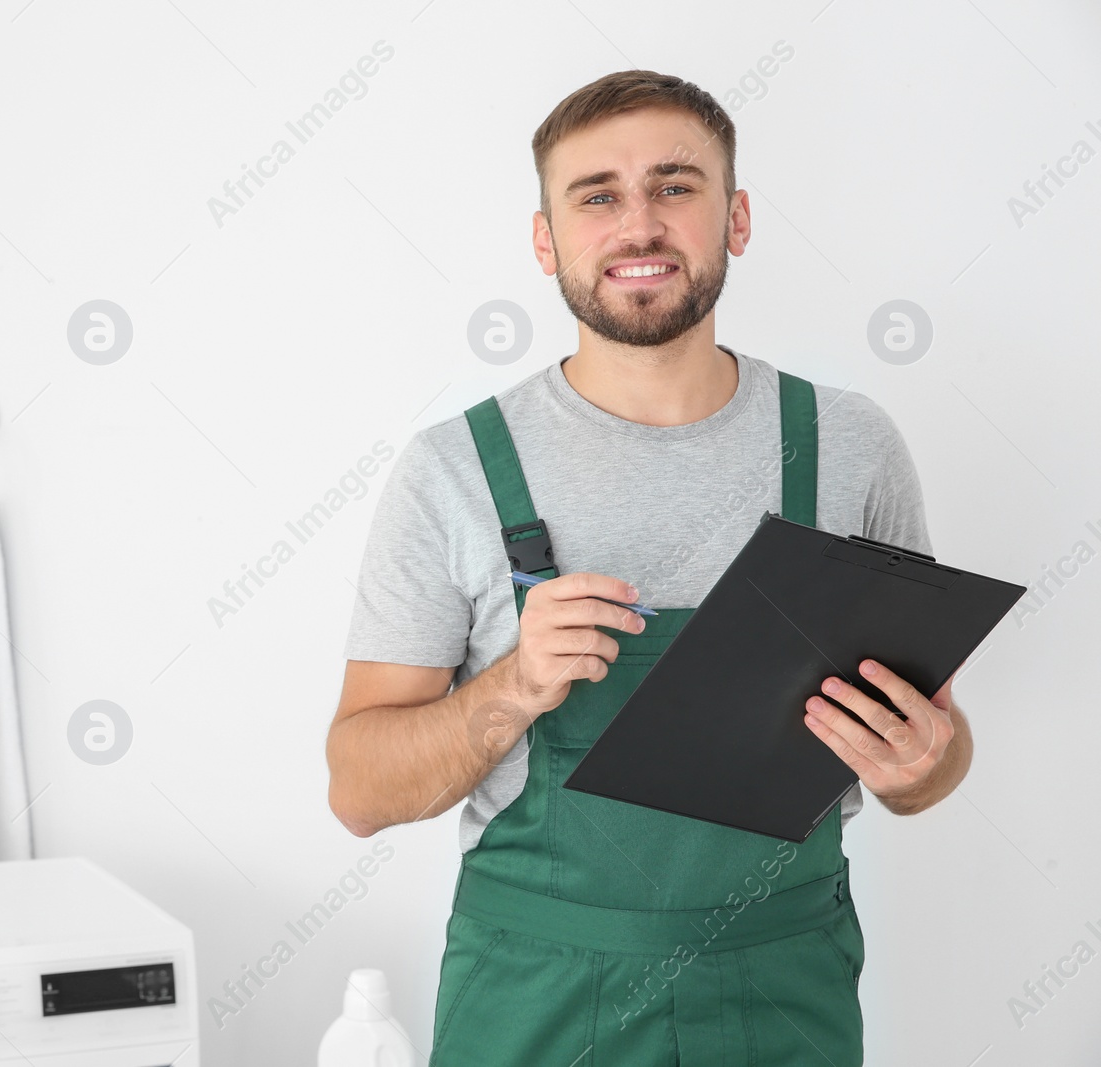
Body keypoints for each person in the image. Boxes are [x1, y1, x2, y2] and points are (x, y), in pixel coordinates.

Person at [326, 69, 971, 1065]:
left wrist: (929, 761)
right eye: (596, 194)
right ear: (545, 238)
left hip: (782, 990)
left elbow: (929, 760)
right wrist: (515, 685)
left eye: (676, 185)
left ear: (735, 218)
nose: (639, 224)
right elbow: (358, 790)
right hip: (534, 994)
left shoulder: (849, 445)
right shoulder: (453, 471)